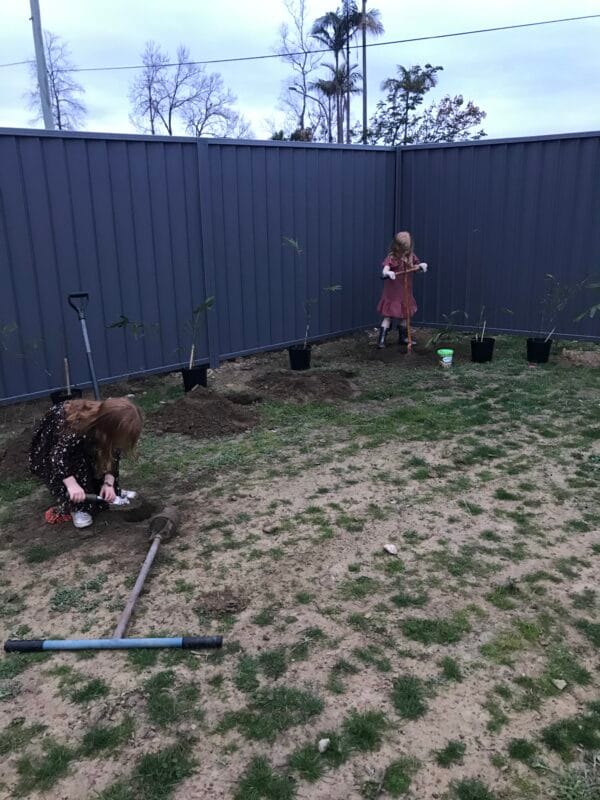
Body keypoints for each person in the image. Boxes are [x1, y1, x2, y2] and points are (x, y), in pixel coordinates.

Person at [29, 397, 142, 529]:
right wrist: (72, 485)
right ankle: (79, 506)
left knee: (98, 456)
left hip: (85, 439)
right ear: (109, 427)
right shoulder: (75, 426)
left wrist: (109, 483)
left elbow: (112, 455)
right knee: (79, 466)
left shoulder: (107, 430)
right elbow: (59, 457)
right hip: (59, 450)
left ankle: (107, 492)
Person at [377, 231, 428, 348]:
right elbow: (384, 270)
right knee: (388, 316)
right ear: (397, 247)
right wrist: (388, 273)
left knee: (405, 315)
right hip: (392, 293)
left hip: (405, 292)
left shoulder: (411, 256)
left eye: (407, 248)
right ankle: (381, 340)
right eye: (404, 249)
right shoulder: (392, 257)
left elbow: (415, 267)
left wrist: (421, 267)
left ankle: (403, 337)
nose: (405, 251)